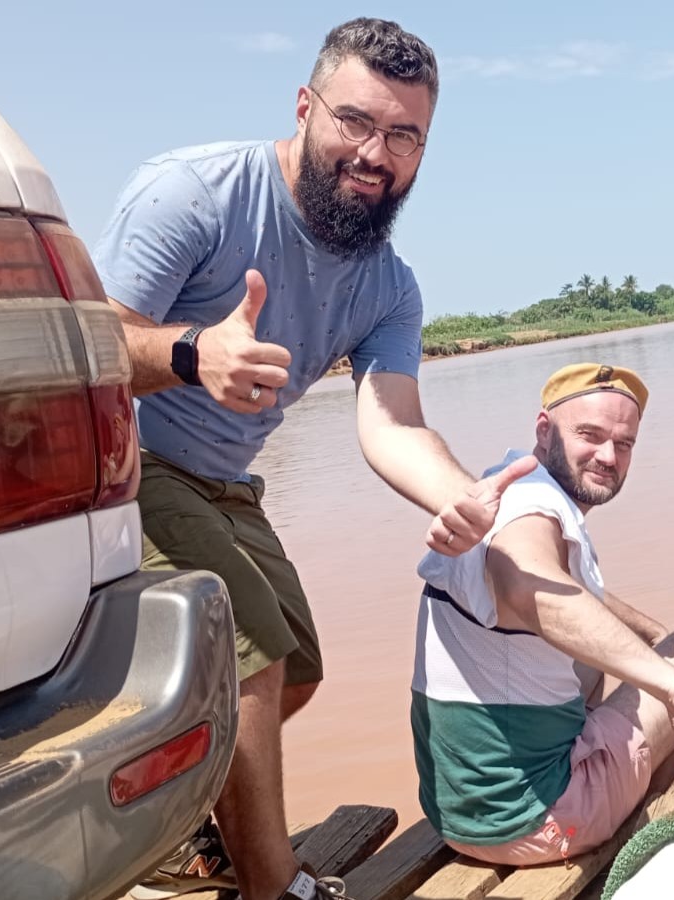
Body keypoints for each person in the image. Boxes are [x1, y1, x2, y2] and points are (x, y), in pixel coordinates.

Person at [96, 19, 532, 900]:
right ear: (305, 106)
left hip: (227, 485)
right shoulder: (198, 193)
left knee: (297, 665)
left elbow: (393, 422)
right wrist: (191, 354)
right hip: (122, 466)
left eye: (405, 136)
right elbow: (81, 341)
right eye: (357, 122)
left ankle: (173, 832)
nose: (377, 153)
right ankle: (273, 884)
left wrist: (462, 497)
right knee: (246, 659)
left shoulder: (388, 284)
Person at [411, 363, 674, 865]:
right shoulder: (534, 512)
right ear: (544, 430)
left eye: (625, 443)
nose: (608, 457)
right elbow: (528, 583)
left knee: (654, 645)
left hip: (457, 813)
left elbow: (564, 587)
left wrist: (655, 639)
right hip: (541, 817)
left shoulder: (495, 491)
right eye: (589, 436)